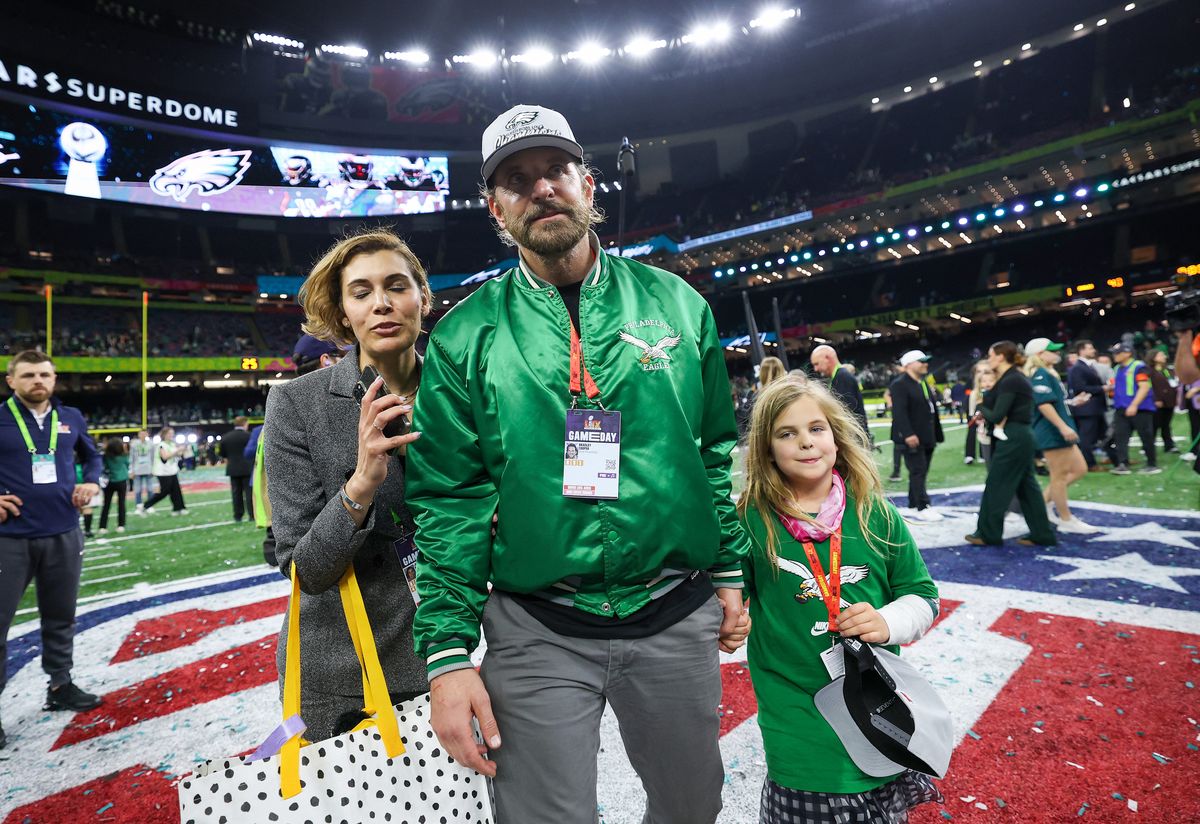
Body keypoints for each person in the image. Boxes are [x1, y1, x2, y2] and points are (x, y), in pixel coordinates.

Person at [407, 104, 750, 822]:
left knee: (692, 807)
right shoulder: (463, 335)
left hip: (673, 608)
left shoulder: (678, 306)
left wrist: (726, 568)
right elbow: (449, 500)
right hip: (538, 627)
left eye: (555, 170)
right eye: (516, 179)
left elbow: (714, 449)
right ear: (494, 208)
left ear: (588, 184)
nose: (541, 190)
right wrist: (444, 655)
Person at [737, 377, 942, 823]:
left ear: (836, 435)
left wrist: (889, 622)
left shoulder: (873, 511)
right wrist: (727, 618)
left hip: (876, 705)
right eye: (786, 433)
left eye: (816, 428)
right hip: (796, 717)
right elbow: (730, 599)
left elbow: (922, 594)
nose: (806, 442)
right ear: (767, 448)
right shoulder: (751, 519)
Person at [263, 229, 430, 742]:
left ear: (423, 298)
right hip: (343, 670)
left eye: (396, 286)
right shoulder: (296, 404)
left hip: (453, 651)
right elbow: (304, 569)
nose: (381, 303)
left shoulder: (462, 388)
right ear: (342, 313)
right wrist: (360, 485)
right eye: (361, 292)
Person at [0, 351, 105, 750]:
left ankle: (60, 684)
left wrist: (92, 482)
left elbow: (92, 456)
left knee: (61, 615)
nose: (37, 381)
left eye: (45, 374)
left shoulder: (71, 417)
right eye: (28, 375)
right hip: (9, 537)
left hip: (63, 530)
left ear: (55, 379)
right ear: (11, 380)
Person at [249, 334, 347, 567]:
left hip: (288, 528)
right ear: (326, 360)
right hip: (321, 541)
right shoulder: (314, 416)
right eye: (342, 356)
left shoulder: (284, 417)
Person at [965, 342, 1057, 547]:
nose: (988, 359)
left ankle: (988, 534)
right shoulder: (1013, 378)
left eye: (990, 355)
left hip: (1013, 437)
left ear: (1000, 357)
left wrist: (980, 405)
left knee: (996, 486)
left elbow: (997, 414)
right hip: (1020, 436)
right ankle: (1042, 534)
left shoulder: (1011, 379)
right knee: (1027, 488)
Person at [1024, 338, 1097, 534]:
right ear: (1039, 354)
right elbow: (1044, 404)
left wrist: (1072, 402)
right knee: (1059, 477)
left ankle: (1041, 506)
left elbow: (1055, 403)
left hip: (1058, 429)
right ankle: (1065, 519)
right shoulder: (1040, 374)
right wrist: (1063, 427)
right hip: (1052, 431)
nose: (1057, 353)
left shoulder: (1048, 373)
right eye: (1052, 350)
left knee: (1080, 469)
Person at [889, 350, 944, 522]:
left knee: (921, 471)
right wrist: (908, 434)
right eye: (921, 361)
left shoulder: (922, 382)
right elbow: (899, 412)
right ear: (908, 365)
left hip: (927, 436)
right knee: (918, 471)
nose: (925, 364)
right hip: (912, 437)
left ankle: (913, 503)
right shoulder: (899, 384)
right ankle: (923, 505)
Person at [1108, 342, 1160, 475]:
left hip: (1140, 408)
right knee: (1120, 438)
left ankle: (1151, 464)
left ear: (1127, 353)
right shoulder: (1117, 368)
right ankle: (1123, 464)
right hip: (1121, 408)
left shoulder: (1139, 367)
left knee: (1146, 436)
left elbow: (1144, 387)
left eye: (1117, 353)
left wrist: (1134, 405)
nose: (1114, 356)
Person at [1067, 340, 1116, 471]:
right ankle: (1089, 464)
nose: (1093, 350)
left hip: (1094, 408)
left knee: (1106, 436)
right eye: (1090, 348)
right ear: (1081, 351)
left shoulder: (1086, 366)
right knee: (1087, 439)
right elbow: (1080, 387)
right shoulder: (1077, 368)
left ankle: (1118, 460)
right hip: (1086, 409)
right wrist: (1102, 388)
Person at [810, 344, 868, 436]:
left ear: (827, 358)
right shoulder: (839, 376)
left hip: (853, 438)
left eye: (817, 364)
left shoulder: (842, 377)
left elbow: (846, 413)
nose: (815, 369)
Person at [138, 428, 188, 514]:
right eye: (169, 434)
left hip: (172, 471)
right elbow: (165, 457)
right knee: (164, 491)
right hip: (163, 472)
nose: (171, 435)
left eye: (172, 433)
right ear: (164, 435)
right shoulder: (161, 445)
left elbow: (177, 454)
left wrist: (183, 450)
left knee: (176, 490)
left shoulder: (172, 444)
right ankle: (145, 505)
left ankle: (179, 508)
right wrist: (177, 450)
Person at [218, 416, 254, 523]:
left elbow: (222, 453)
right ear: (244, 424)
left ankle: (237, 516)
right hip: (247, 468)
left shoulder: (226, 437)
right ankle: (252, 515)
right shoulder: (249, 436)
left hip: (233, 468)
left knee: (236, 494)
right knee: (249, 493)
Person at [1147, 349, 1177, 455]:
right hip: (1156, 403)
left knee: (1166, 425)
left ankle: (1169, 446)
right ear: (1153, 358)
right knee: (1154, 425)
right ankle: (1149, 447)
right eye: (1161, 355)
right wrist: (1155, 399)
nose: (1164, 356)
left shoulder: (1167, 370)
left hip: (1169, 402)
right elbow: (1148, 387)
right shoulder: (1148, 371)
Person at [97, 436, 129, 534]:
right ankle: (121, 525)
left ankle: (102, 527)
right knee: (121, 504)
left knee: (106, 505)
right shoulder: (124, 456)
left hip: (109, 482)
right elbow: (127, 465)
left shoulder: (105, 456)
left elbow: (103, 467)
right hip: (122, 481)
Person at [970, 362, 996, 465]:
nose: (987, 383)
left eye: (990, 380)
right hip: (984, 433)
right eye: (984, 381)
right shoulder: (975, 394)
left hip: (1000, 432)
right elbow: (973, 414)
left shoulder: (1000, 392)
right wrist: (978, 416)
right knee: (989, 462)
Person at [129, 429, 154, 506]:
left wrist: (154, 469)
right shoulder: (134, 444)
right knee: (138, 489)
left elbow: (153, 458)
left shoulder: (151, 444)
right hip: (137, 470)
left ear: (147, 434)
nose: (143, 435)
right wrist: (131, 470)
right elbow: (131, 458)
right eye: (141, 434)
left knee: (150, 489)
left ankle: (150, 505)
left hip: (148, 469)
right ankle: (139, 505)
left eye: (144, 434)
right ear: (138, 435)